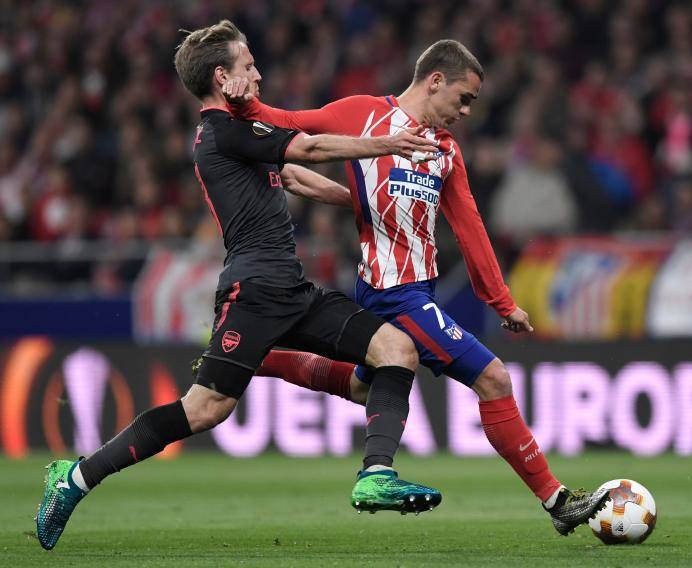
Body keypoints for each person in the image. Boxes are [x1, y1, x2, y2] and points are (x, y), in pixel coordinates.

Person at [35, 20, 445, 551]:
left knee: (394, 352)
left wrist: (363, 206)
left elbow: (295, 177)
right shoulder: (222, 131)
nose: (259, 73)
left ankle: (375, 474)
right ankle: (74, 478)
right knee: (205, 409)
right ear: (223, 76)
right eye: (248, 65)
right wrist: (388, 143)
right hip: (250, 294)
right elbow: (310, 151)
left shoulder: (243, 131)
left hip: (292, 290)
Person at [223, 39, 610, 535]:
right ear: (435, 81)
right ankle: (557, 502)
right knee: (494, 380)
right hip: (390, 292)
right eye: (463, 98)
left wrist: (501, 300)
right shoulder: (362, 115)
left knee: (365, 384)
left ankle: (255, 358)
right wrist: (241, 102)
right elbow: (288, 122)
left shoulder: (446, 151)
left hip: (417, 293)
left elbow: (469, 227)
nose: (466, 112)